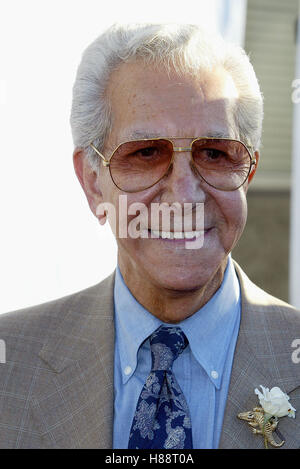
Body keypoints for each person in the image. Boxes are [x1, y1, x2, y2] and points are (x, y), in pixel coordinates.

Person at [0, 23, 300, 450]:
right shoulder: (10, 364)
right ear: (92, 181)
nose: (184, 194)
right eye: (145, 154)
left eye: (215, 153)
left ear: (247, 173)